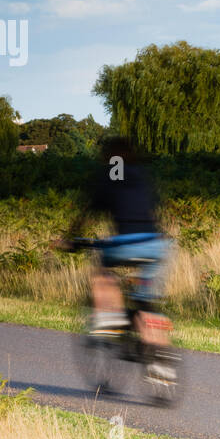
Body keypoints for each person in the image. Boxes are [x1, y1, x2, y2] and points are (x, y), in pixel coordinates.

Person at [57, 135, 174, 381]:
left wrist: (70, 240)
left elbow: (87, 214)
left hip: (124, 245)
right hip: (157, 246)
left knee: (102, 271)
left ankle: (109, 319)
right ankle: (160, 362)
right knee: (147, 304)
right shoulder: (143, 175)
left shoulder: (108, 175)